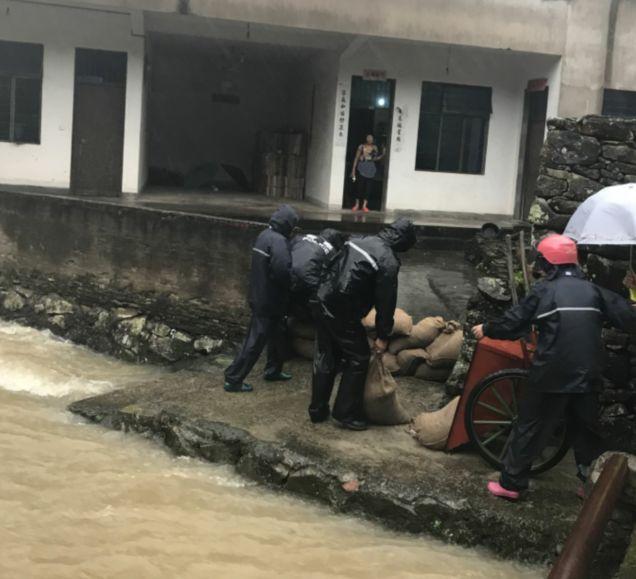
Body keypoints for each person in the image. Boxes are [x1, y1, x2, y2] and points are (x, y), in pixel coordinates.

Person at [472, 234, 636, 500]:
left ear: (548, 264)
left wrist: (487, 328)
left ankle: (511, 484)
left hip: (553, 371)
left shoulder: (544, 291)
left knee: (530, 425)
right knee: (586, 431)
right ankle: (589, 485)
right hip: (589, 372)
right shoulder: (594, 291)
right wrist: (633, 292)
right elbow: (629, 318)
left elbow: (515, 322)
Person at [310, 218, 417, 430]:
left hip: (322, 298)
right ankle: (345, 413)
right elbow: (386, 303)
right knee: (358, 357)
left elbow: (330, 263)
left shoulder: (358, 239)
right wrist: (383, 336)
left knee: (326, 354)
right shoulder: (388, 260)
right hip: (343, 310)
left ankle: (317, 409)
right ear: (402, 240)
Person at [224, 204, 299, 393]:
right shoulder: (279, 241)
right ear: (288, 224)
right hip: (269, 300)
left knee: (278, 335)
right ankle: (234, 378)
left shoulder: (264, 235)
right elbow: (282, 271)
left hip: (260, 295)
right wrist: (294, 282)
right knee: (255, 341)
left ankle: (273, 370)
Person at [290, 228, 347, 316]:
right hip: (306, 279)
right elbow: (333, 273)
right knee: (324, 289)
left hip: (287, 271)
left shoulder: (303, 236)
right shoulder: (332, 251)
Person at [350, 134, 384, 213]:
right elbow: (356, 157)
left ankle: (364, 206)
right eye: (368, 138)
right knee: (359, 187)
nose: (370, 139)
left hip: (371, 170)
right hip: (361, 168)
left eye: (371, 138)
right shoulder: (361, 146)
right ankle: (357, 205)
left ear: (373, 140)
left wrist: (382, 155)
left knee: (368, 188)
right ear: (366, 139)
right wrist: (353, 169)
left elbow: (375, 158)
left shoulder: (375, 148)